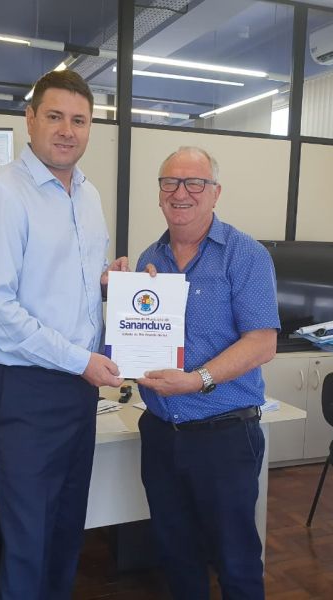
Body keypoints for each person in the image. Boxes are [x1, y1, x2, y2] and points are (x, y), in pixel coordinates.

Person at [0, 70, 127, 600]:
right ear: (30, 119)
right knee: (28, 537)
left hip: (78, 388)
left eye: (79, 120)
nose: (67, 130)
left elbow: (68, 280)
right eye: (55, 116)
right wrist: (81, 361)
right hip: (26, 388)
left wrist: (109, 282)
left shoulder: (88, 194)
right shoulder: (2, 194)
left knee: (65, 528)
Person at [136, 146, 280, 600]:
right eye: (170, 182)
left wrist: (196, 380)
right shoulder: (148, 259)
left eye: (194, 182)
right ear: (159, 193)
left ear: (215, 193)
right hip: (161, 433)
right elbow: (139, 335)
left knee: (235, 560)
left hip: (223, 436)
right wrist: (118, 290)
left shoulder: (245, 254)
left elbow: (263, 342)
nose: (181, 193)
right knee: (176, 555)